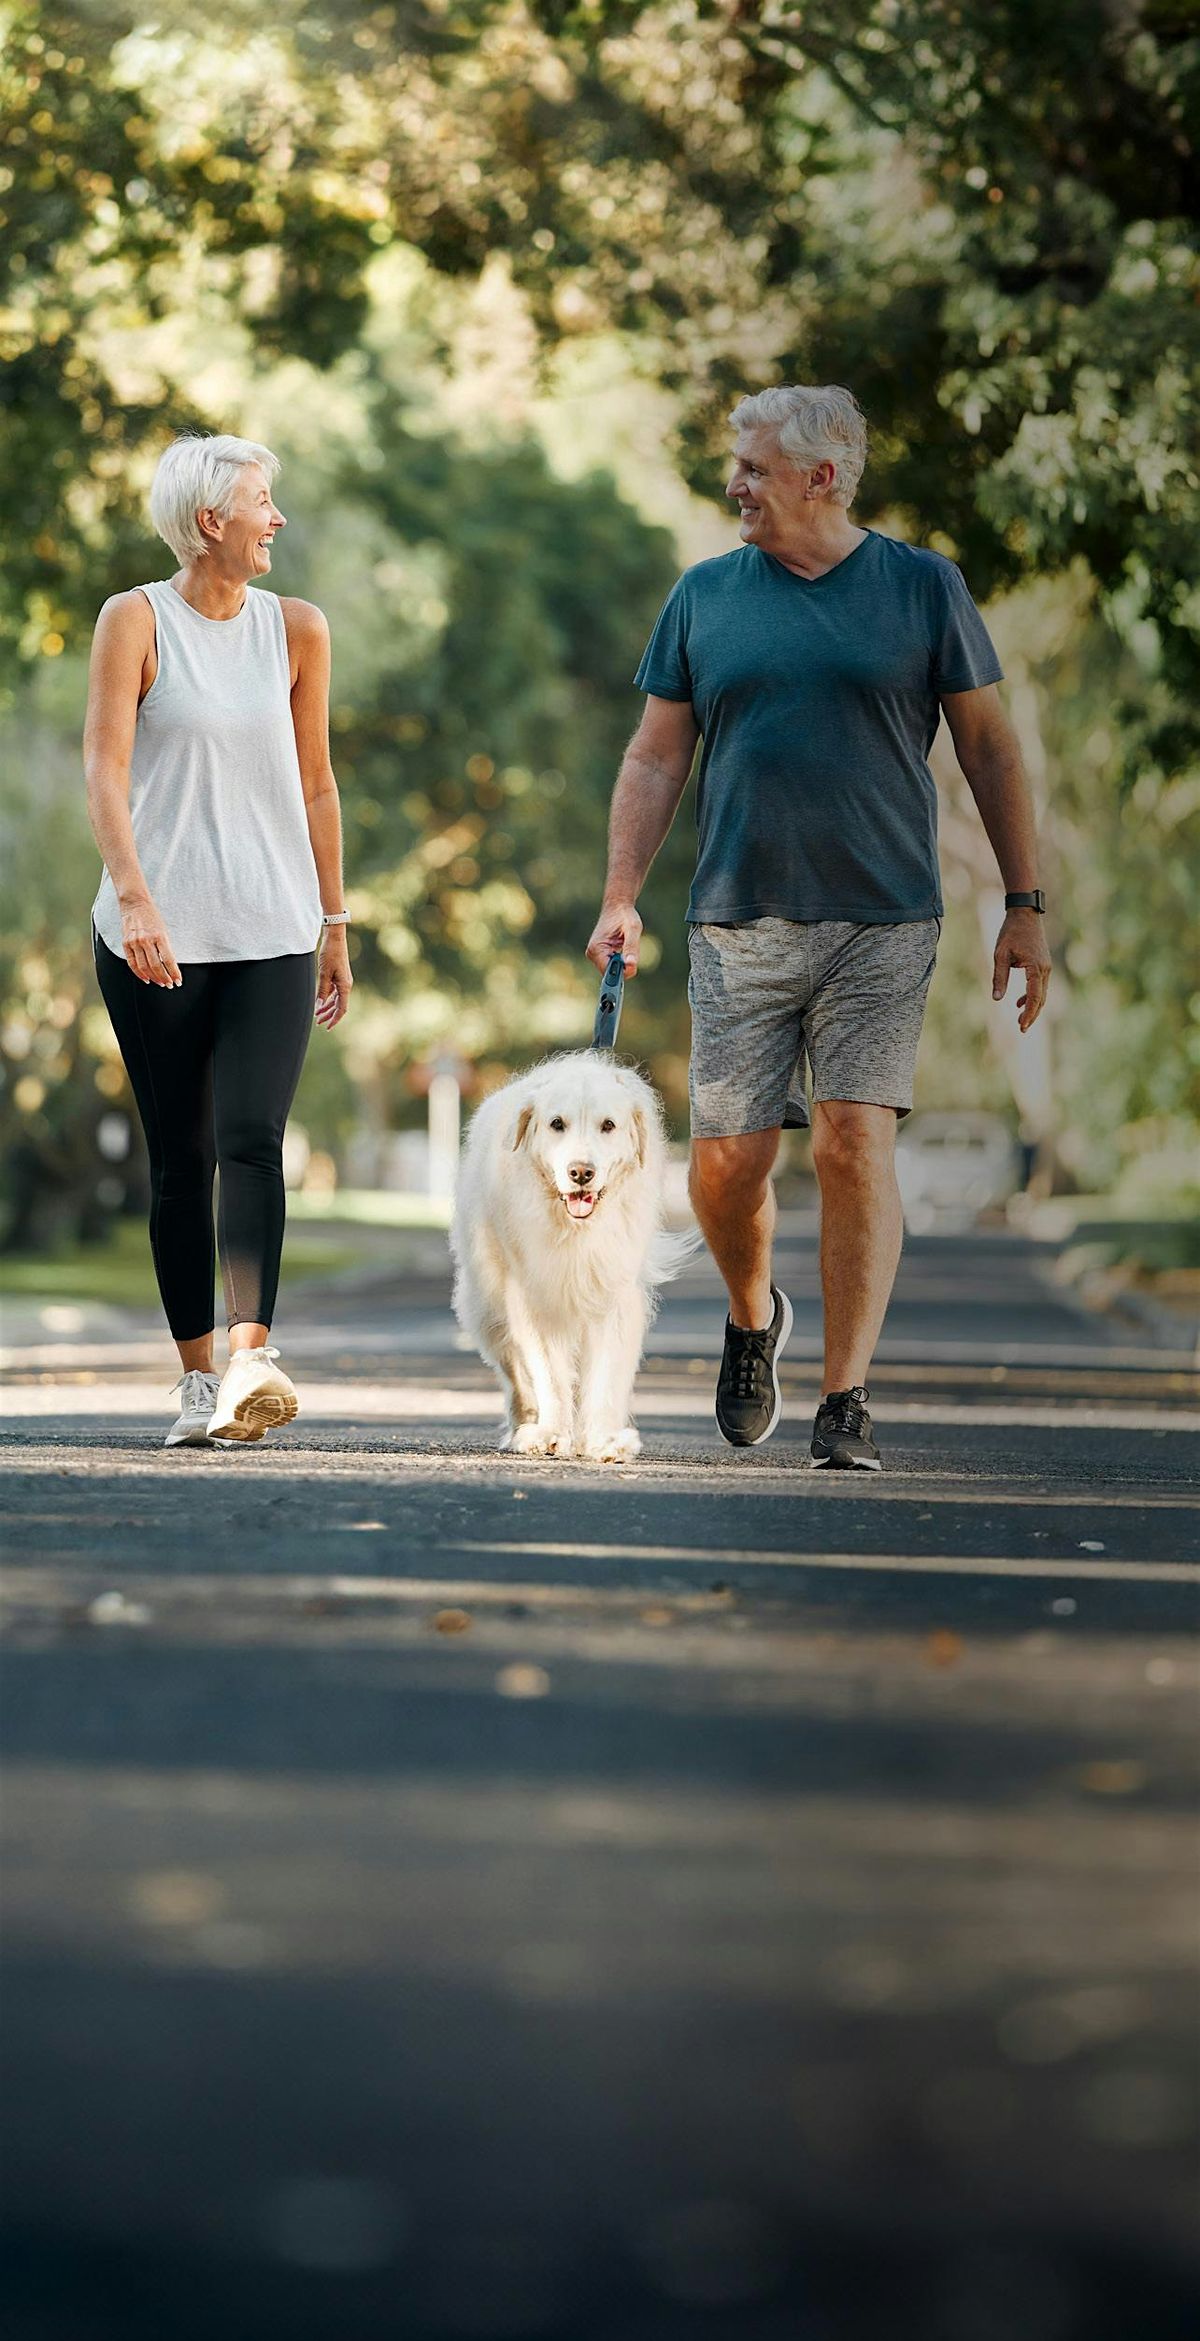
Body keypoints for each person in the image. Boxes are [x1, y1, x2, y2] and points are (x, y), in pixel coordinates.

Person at [586, 384, 1051, 1471]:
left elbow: (990, 750)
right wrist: (620, 893)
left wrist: (1024, 903)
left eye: (752, 466)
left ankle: (846, 1397)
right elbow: (656, 757)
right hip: (736, 915)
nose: (734, 483)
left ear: (821, 477)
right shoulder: (704, 596)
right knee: (726, 1166)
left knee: (853, 1139)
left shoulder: (923, 588)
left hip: (884, 916)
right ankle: (755, 1318)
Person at [84, 432, 352, 1447]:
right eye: (261, 503)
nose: (276, 518)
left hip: (274, 926)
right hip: (156, 934)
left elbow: (319, 782)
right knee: (179, 1153)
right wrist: (137, 899)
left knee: (252, 1140)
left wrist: (333, 919)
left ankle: (249, 1361)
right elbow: (106, 770)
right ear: (211, 522)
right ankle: (197, 1378)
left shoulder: (298, 630)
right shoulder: (133, 619)